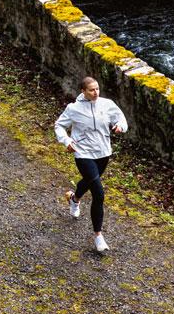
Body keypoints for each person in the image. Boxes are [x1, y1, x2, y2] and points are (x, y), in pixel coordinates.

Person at [55, 76, 129, 253]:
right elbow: (59, 125)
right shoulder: (73, 109)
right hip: (83, 153)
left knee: (89, 181)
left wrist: (120, 126)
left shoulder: (107, 104)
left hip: (103, 153)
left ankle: (74, 199)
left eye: (97, 89)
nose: (96, 92)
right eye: (91, 90)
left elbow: (121, 119)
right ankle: (98, 236)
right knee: (99, 193)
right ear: (83, 91)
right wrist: (66, 141)